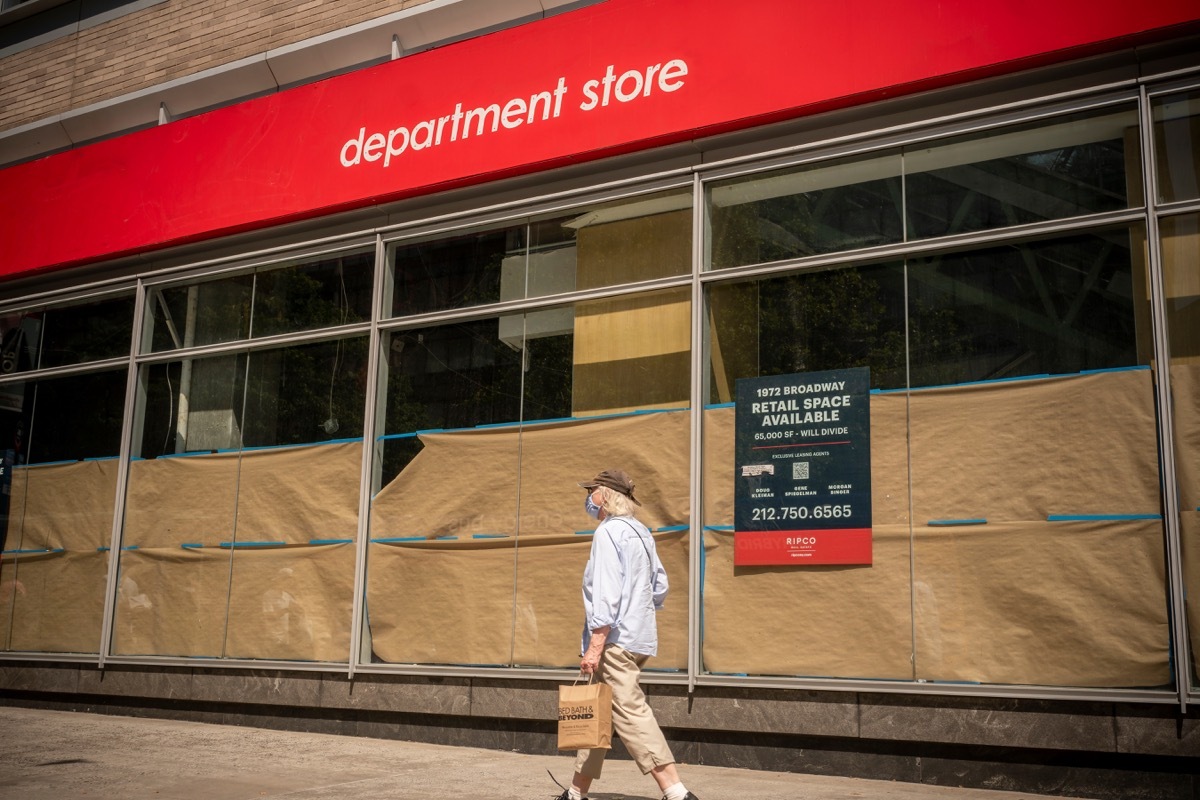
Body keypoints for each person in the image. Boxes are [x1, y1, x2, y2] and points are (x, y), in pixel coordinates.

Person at [552, 468, 699, 800]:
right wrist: (638, 609)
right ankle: (576, 792)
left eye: (591, 491)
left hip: (614, 640)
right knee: (598, 712)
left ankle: (676, 792)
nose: (587, 498)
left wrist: (595, 644)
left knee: (630, 711)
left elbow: (606, 593)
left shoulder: (608, 532)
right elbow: (659, 586)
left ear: (604, 495)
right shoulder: (641, 531)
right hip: (639, 635)